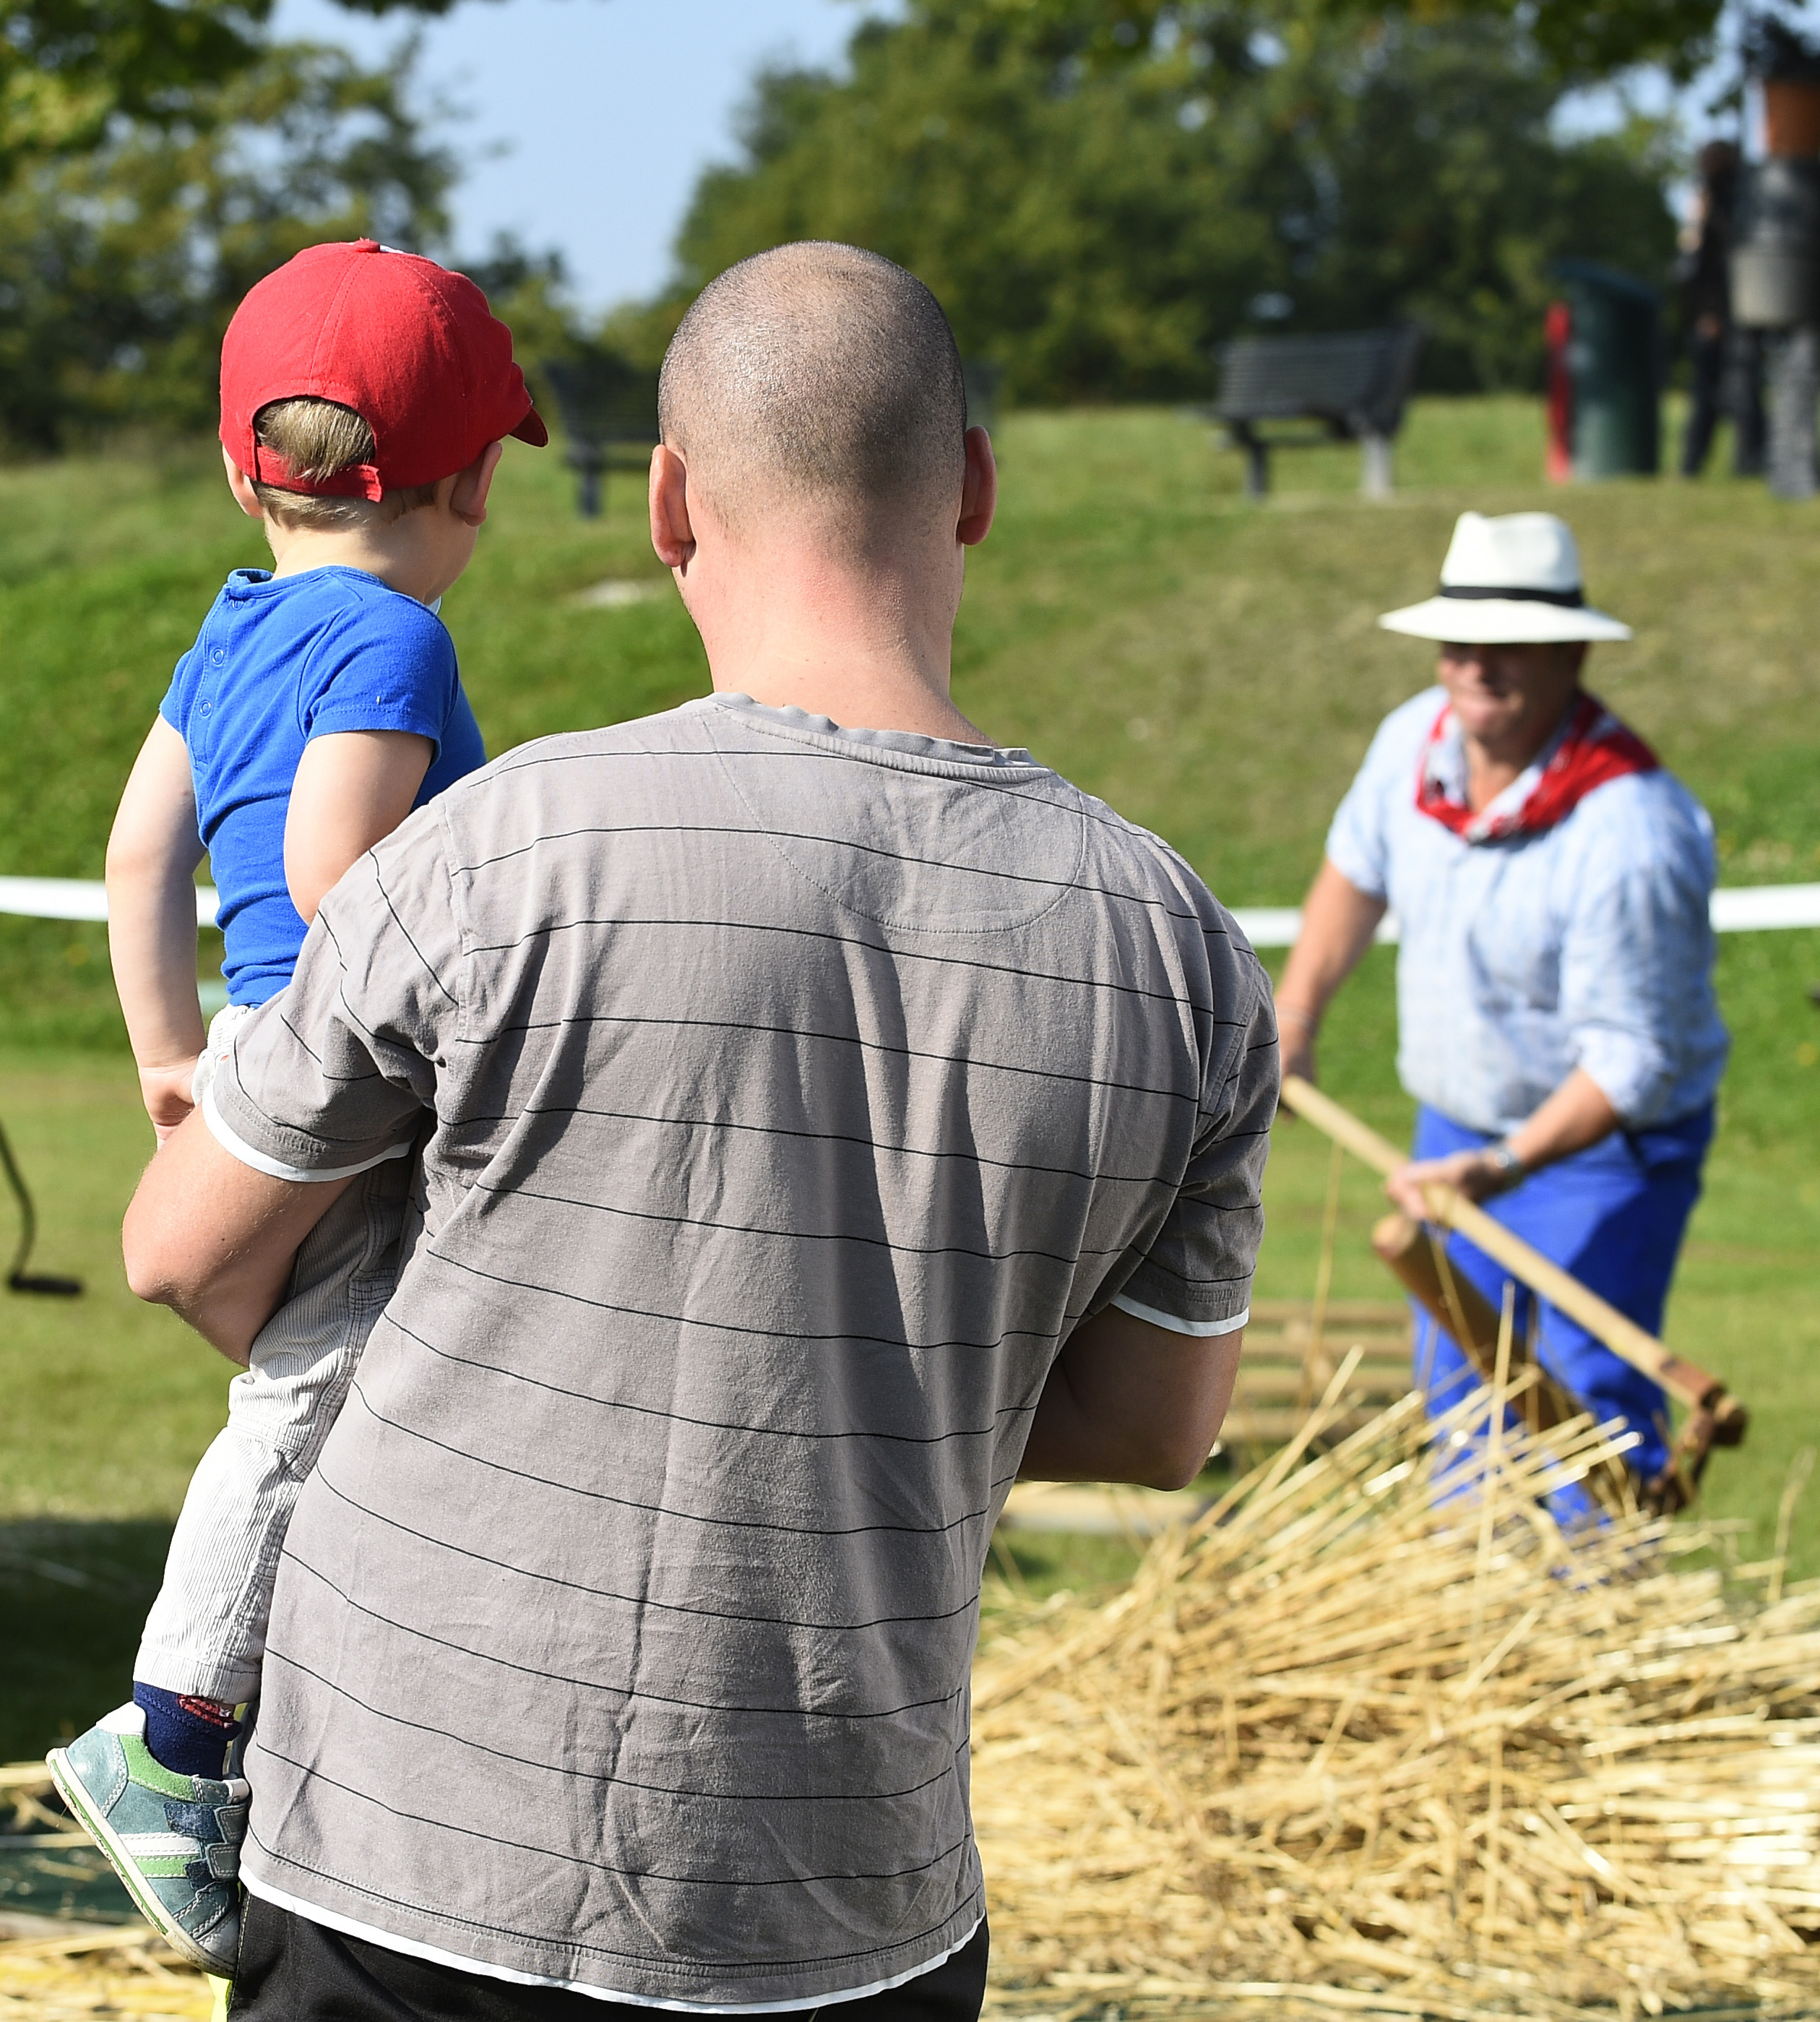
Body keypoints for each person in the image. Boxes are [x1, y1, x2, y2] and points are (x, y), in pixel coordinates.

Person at [117, 241, 1280, 2019]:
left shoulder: (498, 847)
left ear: (666, 501)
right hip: (845, 1898)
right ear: (968, 489)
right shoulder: (1176, 945)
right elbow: (1150, 1423)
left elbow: (182, 1252)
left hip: (408, 1862)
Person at [53, 238, 544, 1974]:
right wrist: (469, 1045)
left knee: (322, 1388)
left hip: (257, 1044)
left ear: (233, 466)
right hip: (354, 1055)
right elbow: (346, 873)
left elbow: (137, 852)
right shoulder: (398, 641)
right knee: (320, 1379)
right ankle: (170, 1738)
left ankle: (266, 1718)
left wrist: (167, 1053)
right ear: (473, 479)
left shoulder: (233, 626)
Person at [1272, 511, 1725, 1485]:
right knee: (1460, 1389)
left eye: (1507, 642)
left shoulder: (1630, 832)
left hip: (1605, 1153)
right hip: (1457, 1132)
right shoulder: (1412, 746)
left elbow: (1630, 1061)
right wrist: (1295, 1018)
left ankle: (1595, 1612)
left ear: (1570, 653)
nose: (1476, 665)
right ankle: (1476, 1621)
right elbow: (1355, 874)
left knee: (1583, 1401)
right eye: (1459, 641)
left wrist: (1507, 1163)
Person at [1675, 141, 1764, 479]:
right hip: (1724, 311)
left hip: (1728, 311)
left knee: (1732, 391)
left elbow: (1707, 263)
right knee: (1715, 393)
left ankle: (1742, 461)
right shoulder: (1713, 198)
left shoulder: (1723, 201)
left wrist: (1708, 311)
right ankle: (1699, 463)